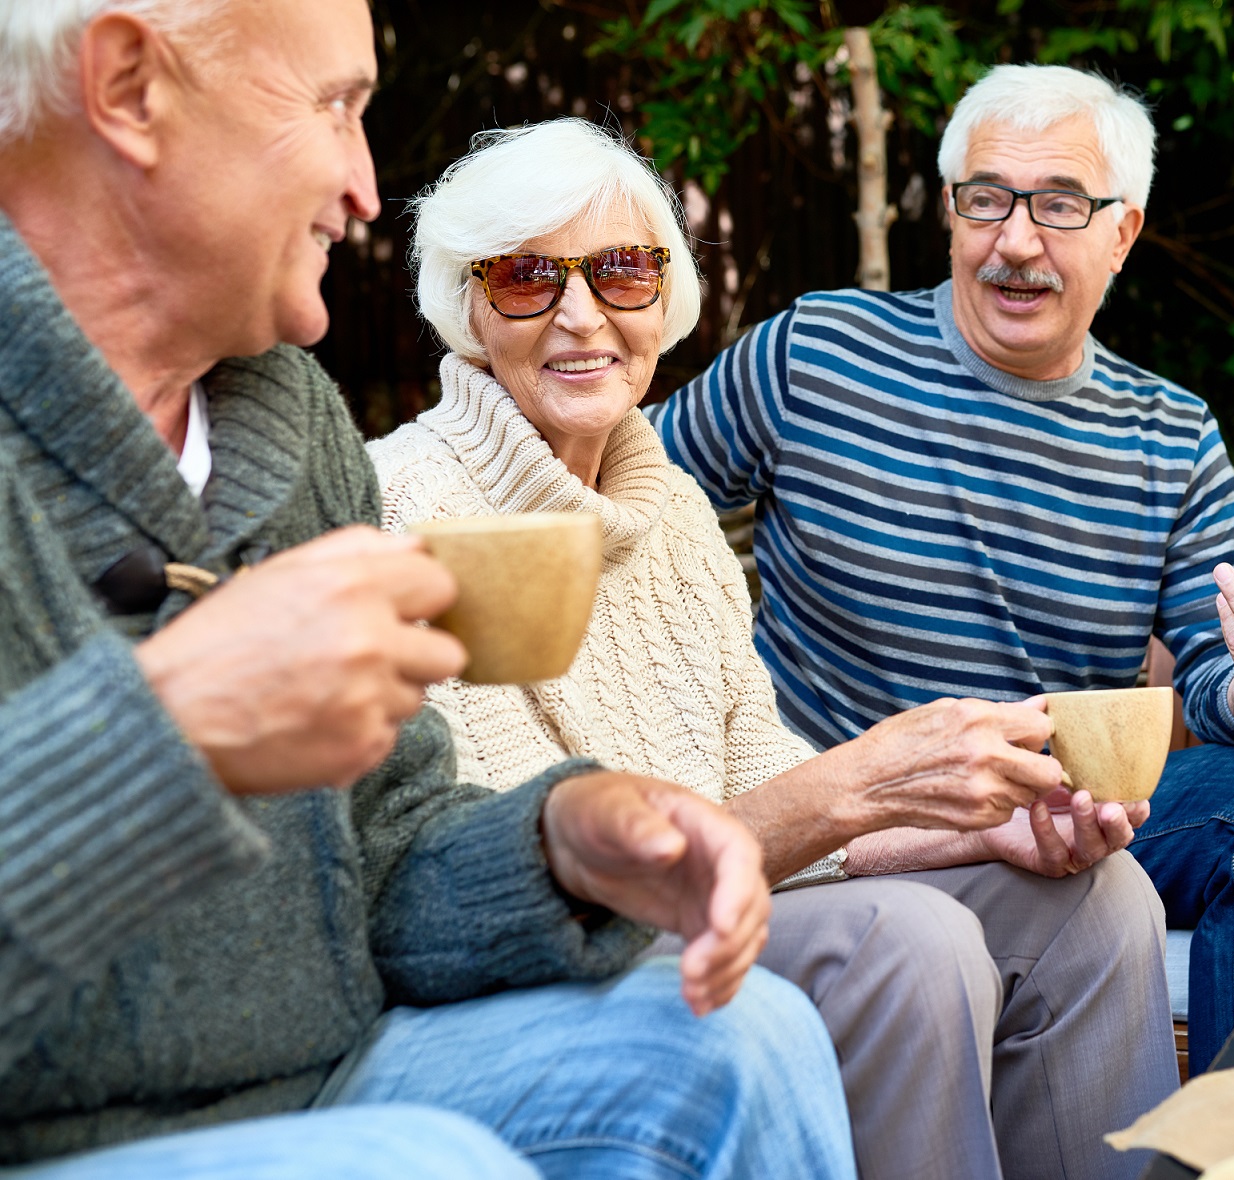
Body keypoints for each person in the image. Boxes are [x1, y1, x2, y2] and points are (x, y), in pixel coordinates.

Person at [0, 1, 857, 1177]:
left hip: (334, 1072)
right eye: (337, 108)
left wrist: (561, 840)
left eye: (621, 272)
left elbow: (390, 845)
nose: (366, 187)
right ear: (130, 87)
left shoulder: (290, 418)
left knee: (743, 1036)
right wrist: (166, 730)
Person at [370, 116, 1175, 1180]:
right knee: (906, 944)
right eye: (525, 277)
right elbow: (518, 871)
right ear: (467, 304)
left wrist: (975, 831)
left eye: (621, 271)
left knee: (1097, 896)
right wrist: (862, 783)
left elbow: (764, 785)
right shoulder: (399, 506)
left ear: (663, 295)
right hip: (569, 949)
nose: (581, 317)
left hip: (724, 897)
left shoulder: (673, 511)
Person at [649, 62, 1234, 1074]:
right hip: (845, 811)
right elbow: (621, 489)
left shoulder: (1171, 433)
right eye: (987, 200)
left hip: (1056, 809)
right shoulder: (816, 356)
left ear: (1122, 234)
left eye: (1058, 205)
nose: (1015, 241)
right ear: (953, 212)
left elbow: (1221, 682)